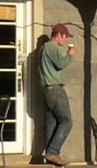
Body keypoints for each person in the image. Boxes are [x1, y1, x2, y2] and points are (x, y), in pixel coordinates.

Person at [39, 23, 77, 166]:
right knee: (67, 121)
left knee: (52, 122)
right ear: (59, 35)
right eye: (66, 37)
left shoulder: (44, 48)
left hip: (46, 90)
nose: (66, 40)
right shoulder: (51, 47)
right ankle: (53, 152)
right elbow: (60, 64)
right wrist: (70, 54)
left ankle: (49, 158)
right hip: (54, 89)